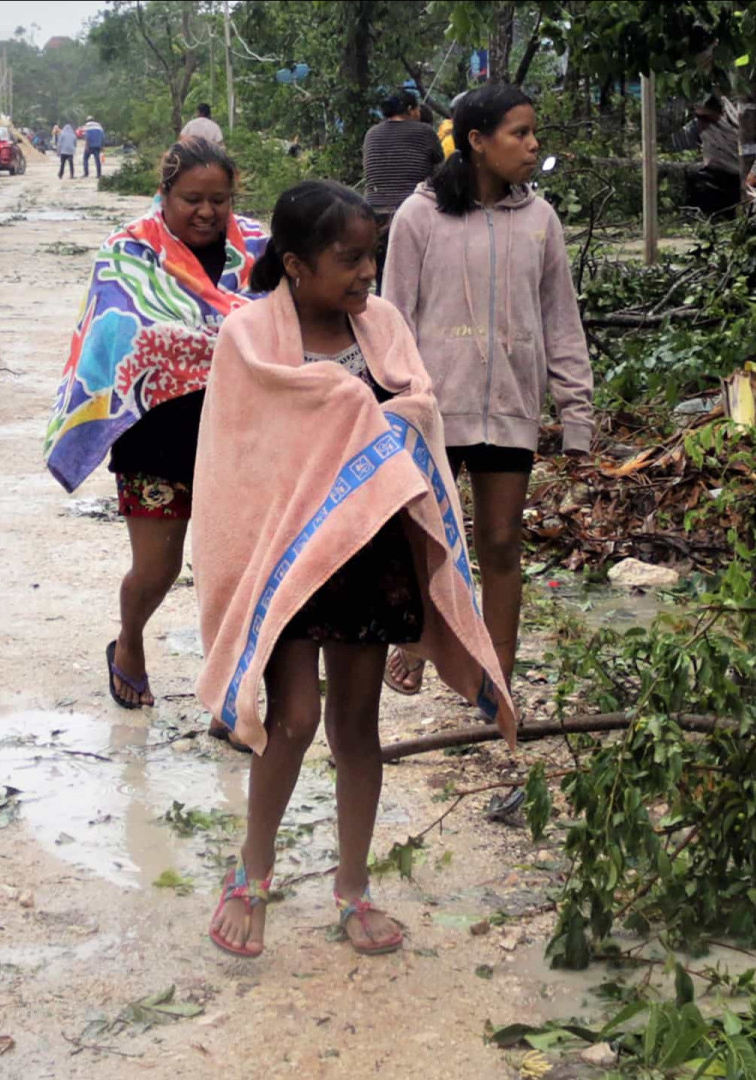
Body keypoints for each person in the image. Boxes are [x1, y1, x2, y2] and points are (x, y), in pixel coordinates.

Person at [193, 179, 515, 959]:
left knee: (356, 726)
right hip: (289, 563)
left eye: (371, 256)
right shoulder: (247, 340)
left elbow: (417, 416)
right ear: (296, 265)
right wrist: (347, 408)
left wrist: (377, 416)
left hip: (370, 555)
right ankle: (253, 873)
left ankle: (353, 886)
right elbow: (237, 468)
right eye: (349, 259)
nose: (367, 273)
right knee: (294, 717)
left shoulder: (383, 327)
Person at [43, 139, 268, 739]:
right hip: (156, 436)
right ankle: (130, 641)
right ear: (164, 194)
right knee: (158, 568)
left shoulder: (260, 248)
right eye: (191, 199)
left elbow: (281, 321)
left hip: (241, 433)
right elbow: (118, 339)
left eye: (219, 199)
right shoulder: (129, 250)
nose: (207, 211)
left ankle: (232, 697)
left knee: (238, 571)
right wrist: (206, 342)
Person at [381, 83, 592, 698]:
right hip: (433, 411)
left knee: (501, 543)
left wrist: (576, 415)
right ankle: (417, 641)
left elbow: (561, 319)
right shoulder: (419, 217)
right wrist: (396, 407)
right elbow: (393, 318)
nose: (533, 146)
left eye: (533, 133)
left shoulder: (540, 220)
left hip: (511, 410)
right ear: (476, 142)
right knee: (429, 543)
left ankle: (495, 675)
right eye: (519, 134)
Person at [363, 90, 443, 294]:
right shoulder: (424, 132)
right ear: (410, 110)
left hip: (375, 216)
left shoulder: (371, 133)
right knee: (419, 278)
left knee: (384, 277)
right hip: (412, 214)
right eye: (417, 107)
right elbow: (439, 172)